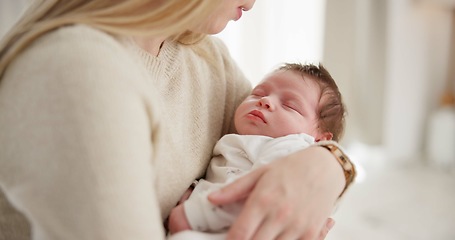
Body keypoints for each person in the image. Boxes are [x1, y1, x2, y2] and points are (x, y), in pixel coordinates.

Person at [0, 0, 356, 240]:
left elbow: (288, 151)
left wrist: (331, 165)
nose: (253, 2)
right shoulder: (78, 73)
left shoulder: (202, 56)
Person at [167, 62, 349, 238]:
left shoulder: (294, 147)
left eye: (290, 105)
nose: (265, 101)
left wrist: (194, 215)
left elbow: (262, 194)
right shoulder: (249, 142)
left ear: (319, 139)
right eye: (257, 94)